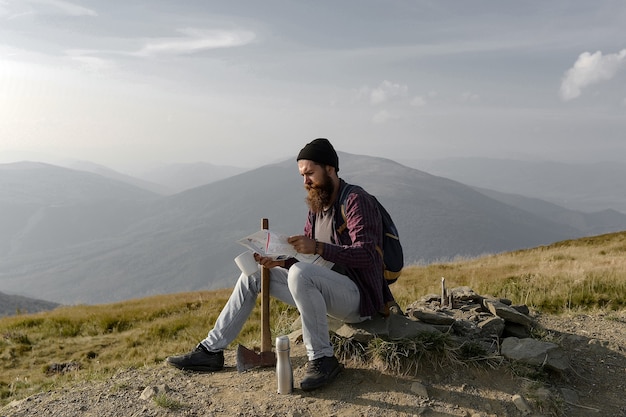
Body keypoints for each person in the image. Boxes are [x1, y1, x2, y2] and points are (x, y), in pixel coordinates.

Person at [167, 138, 396, 391]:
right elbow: (308, 260)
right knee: (255, 275)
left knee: (299, 273)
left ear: (330, 169)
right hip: (324, 289)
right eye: (302, 175)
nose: (305, 181)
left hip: (359, 298)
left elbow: (368, 256)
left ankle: (322, 358)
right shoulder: (318, 205)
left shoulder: (356, 200)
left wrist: (317, 247)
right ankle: (211, 350)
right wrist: (279, 260)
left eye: (310, 173)